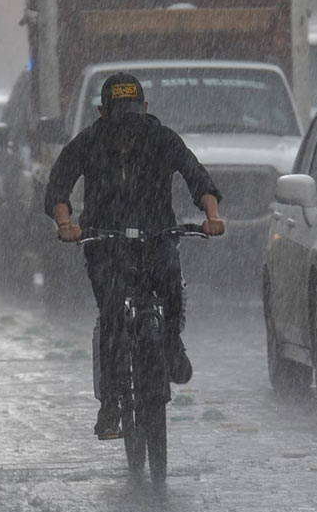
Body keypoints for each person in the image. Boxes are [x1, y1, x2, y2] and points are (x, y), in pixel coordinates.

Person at [44, 72, 226, 439]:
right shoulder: (89, 142)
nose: (127, 124)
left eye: (133, 113)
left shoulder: (162, 139)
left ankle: (171, 340)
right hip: (104, 241)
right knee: (111, 314)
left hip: (156, 236)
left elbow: (197, 177)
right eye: (118, 115)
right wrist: (67, 224)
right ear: (102, 112)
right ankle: (110, 404)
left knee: (171, 280)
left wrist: (212, 216)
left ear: (145, 108)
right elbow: (59, 184)